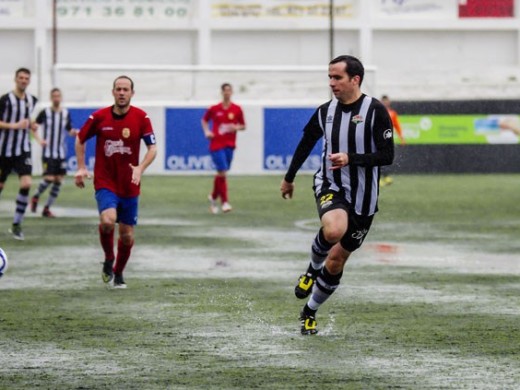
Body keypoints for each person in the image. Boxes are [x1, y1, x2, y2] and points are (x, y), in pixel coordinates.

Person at [280, 55, 394, 335]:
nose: (332, 83)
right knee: (333, 230)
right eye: (330, 77)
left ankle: (309, 311)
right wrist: (289, 177)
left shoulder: (375, 110)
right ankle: (310, 270)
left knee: (336, 261)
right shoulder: (324, 112)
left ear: (355, 79)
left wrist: (350, 158)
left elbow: (387, 155)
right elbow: (306, 143)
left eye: (337, 77)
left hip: (364, 200)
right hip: (331, 184)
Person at [74, 75, 157, 289]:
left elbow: (153, 148)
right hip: (106, 181)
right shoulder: (98, 117)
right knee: (108, 220)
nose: (121, 93)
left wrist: (140, 168)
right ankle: (109, 257)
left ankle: (118, 272)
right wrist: (81, 167)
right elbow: (80, 139)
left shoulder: (142, 118)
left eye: (125, 89)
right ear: (113, 92)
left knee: (127, 236)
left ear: (131, 93)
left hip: (129, 185)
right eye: (118, 89)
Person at [0, 68, 44, 240]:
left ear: (29, 81)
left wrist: (32, 126)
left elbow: (29, 120)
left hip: (23, 149)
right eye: (21, 78)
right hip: (4, 150)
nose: (24, 80)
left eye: (26, 78)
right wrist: (14, 125)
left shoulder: (32, 100)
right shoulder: (5, 100)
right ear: (15, 79)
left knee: (26, 184)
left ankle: (17, 224)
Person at [31, 88, 78, 218]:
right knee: (49, 178)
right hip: (48, 152)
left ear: (61, 97)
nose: (56, 98)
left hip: (61, 153)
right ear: (51, 98)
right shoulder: (45, 112)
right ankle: (35, 197)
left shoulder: (65, 113)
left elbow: (69, 130)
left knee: (58, 180)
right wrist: (40, 140)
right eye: (54, 96)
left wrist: (74, 133)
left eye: (58, 96)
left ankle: (46, 208)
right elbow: (33, 127)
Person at [201, 83, 245, 214]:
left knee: (222, 173)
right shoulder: (215, 108)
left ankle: (213, 196)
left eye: (229, 90)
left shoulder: (237, 109)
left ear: (232, 92)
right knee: (223, 172)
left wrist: (235, 127)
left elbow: (243, 125)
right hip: (216, 144)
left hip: (230, 145)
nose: (227, 93)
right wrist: (207, 132)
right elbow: (204, 120)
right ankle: (225, 202)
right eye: (225, 91)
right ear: (221, 92)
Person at [380, 95, 405, 187]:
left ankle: (385, 177)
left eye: (386, 101)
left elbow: (397, 126)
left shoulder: (392, 113)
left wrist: (401, 137)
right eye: (383, 101)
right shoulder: (377, 111)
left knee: (386, 158)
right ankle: (381, 178)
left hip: (387, 140)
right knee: (378, 158)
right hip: (378, 140)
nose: (385, 103)